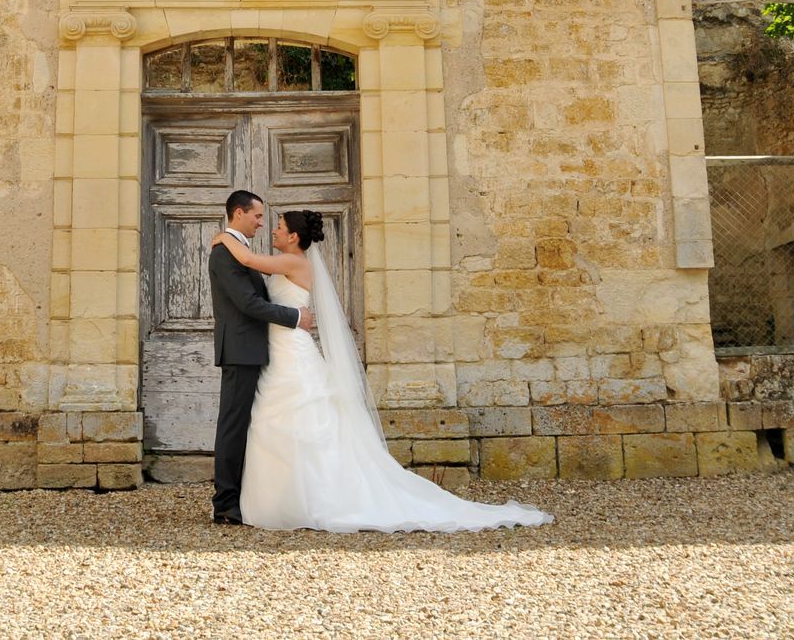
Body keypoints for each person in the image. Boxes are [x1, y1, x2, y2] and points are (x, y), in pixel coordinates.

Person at [211, 208, 552, 533]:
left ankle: (305, 498)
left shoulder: (291, 260)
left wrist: (223, 237)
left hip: (291, 351)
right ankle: (281, 497)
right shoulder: (291, 260)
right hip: (280, 349)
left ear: (294, 236)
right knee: (279, 420)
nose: (272, 228)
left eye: (279, 226)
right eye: (266, 220)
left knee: (296, 419)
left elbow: (249, 260)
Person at [206, 189, 314, 526]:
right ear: (239, 213)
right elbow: (248, 304)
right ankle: (225, 503)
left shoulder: (238, 250)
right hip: (240, 350)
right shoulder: (225, 252)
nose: (262, 223)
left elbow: (255, 275)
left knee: (246, 427)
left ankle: (252, 496)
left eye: (269, 220)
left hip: (257, 350)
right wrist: (295, 317)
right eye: (257, 216)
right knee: (233, 426)